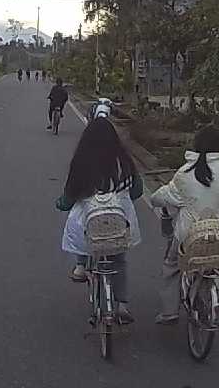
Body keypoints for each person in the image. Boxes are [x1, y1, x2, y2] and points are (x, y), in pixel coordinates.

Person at [150, 125, 219, 324]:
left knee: (172, 265)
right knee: (210, 261)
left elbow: (162, 196)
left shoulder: (184, 173)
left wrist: (155, 200)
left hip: (188, 238)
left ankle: (169, 312)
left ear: (195, 146)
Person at [55, 119, 142, 324]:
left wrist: (61, 204)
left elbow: (69, 197)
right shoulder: (124, 162)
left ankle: (81, 265)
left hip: (90, 225)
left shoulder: (82, 163)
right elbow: (137, 191)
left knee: (80, 227)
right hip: (119, 223)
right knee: (118, 261)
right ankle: (121, 306)